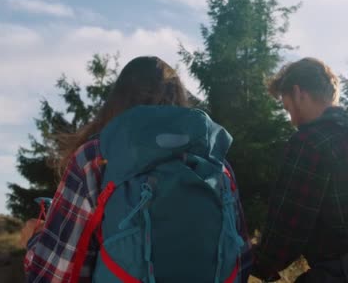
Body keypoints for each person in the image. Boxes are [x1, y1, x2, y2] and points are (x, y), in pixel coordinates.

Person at [20, 56, 252, 282]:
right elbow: (241, 260)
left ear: (118, 101)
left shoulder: (97, 157)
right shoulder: (216, 161)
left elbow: (54, 274)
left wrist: (35, 238)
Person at [251, 57, 348, 282]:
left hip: (346, 272)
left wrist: (254, 263)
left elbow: (286, 232)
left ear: (298, 93)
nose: (291, 120)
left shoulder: (309, 142)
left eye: (288, 108)